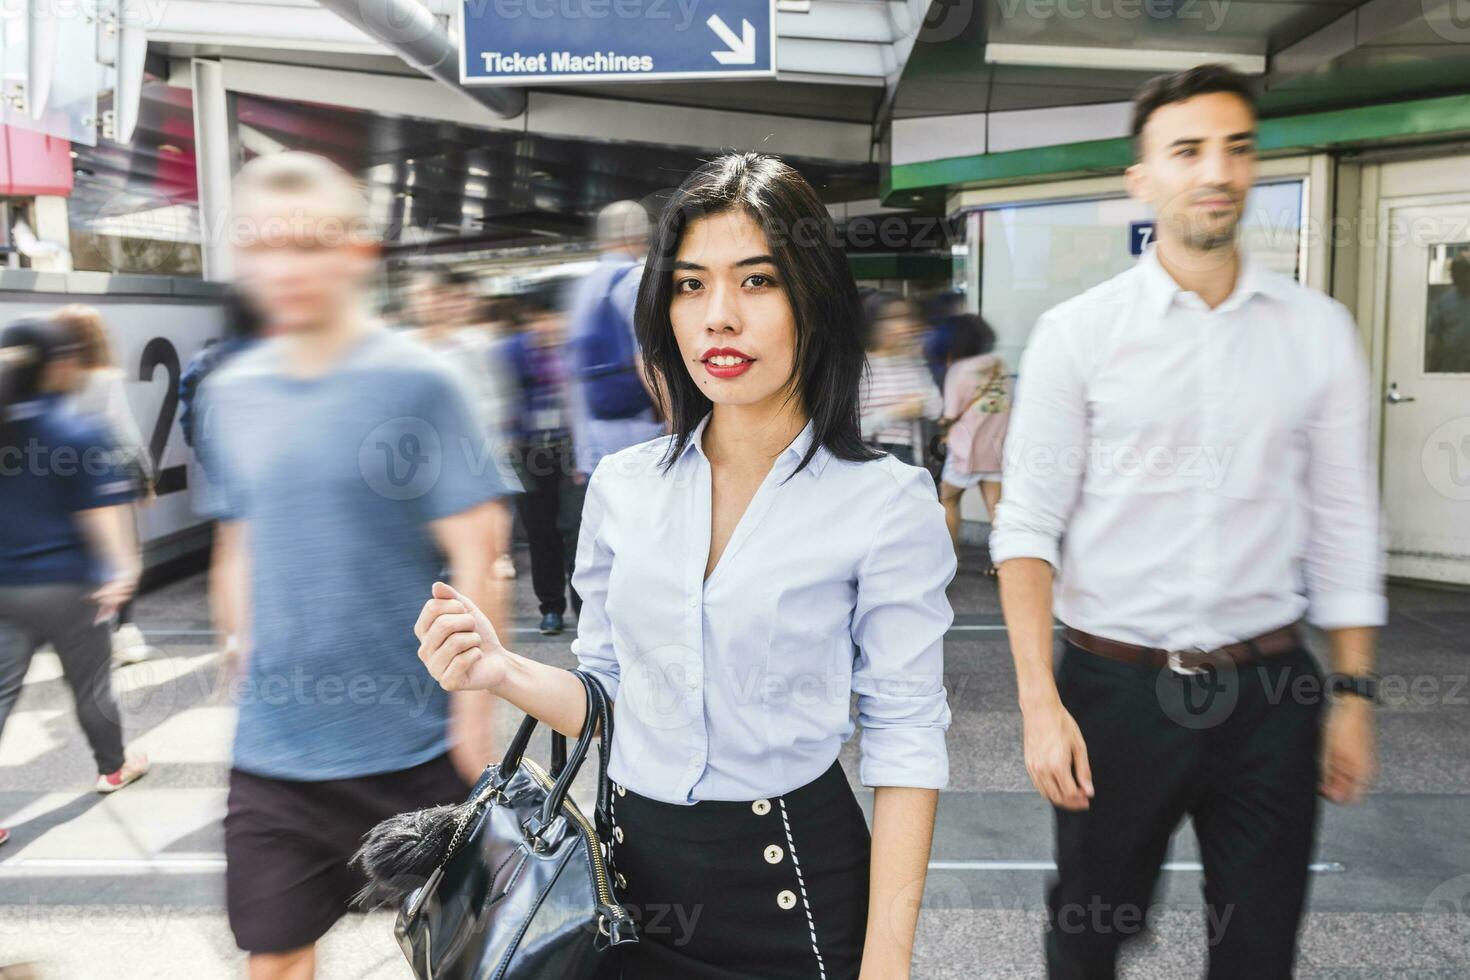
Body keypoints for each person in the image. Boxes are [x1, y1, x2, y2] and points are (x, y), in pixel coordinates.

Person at [413, 151, 955, 979]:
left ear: (814, 300)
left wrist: (888, 962)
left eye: (759, 281)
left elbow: (907, 734)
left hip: (793, 893)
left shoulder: (884, 500)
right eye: (691, 284)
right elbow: (610, 698)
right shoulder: (626, 486)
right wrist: (501, 668)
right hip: (624, 892)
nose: (719, 318)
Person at [991, 65, 1385, 979]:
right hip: (1115, 689)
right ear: (1142, 180)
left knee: (1258, 945)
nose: (1218, 170)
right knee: (1090, 931)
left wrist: (1356, 695)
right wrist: (1039, 706)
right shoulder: (1078, 334)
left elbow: (1345, 523)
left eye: (1237, 148)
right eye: (1188, 150)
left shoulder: (1317, 331)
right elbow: (1027, 531)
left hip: (1269, 692)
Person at [197, 151, 514, 980]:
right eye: (265, 244)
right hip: (277, 755)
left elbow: (482, 554)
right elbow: (238, 536)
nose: (286, 266)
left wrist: (471, 723)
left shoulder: (420, 383)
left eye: (310, 243)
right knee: (272, 957)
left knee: (467, 961)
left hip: (414, 746)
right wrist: (239, 643)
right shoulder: (229, 392)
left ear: (357, 253)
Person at [0, 317, 151, 852]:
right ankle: (113, 768)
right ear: (59, 365)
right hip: (70, 588)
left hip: (5, 590)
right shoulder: (79, 430)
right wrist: (123, 572)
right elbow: (101, 516)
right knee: (90, 688)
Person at [53, 304, 156, 665]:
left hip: (62, 482)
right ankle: (125, 632)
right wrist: (143, 480)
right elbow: (124, 431)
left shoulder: (50, 380)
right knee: (123, 554)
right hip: (107, 481)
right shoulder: (105, 379)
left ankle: (85, 637)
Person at [500, 280, 583, 635]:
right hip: (527, 453)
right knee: (540, 532)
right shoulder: (511, 351)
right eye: (539, 318)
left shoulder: (576, 349)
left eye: (554, 317)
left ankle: (584, 608)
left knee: (578, 530)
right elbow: (501, 400)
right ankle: (550, 607)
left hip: (573, 451)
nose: (548, 326)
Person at [565, 199, 666, 480]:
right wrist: (674, 422)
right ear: (638, 234)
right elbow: (646, 360)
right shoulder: (634, 281)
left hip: (594, 433)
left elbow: (571, 375)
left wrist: (580, 450)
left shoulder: (580, 286)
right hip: (636, 429)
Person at [936, 314, 1010, 565]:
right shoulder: (1000, 366)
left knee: (948, 499)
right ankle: (1003, 562)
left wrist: (943, 424)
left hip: (965, 450)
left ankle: (950, 558)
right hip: (996, 449)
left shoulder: (958, 370)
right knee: (997, 509)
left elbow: (949, 413)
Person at [858, 291, 942, 465]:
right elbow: (845, 430)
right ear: (873, 324)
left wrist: (920, 405)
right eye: (894, 318)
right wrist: (895, 413)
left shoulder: (912, 361)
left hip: (905, 461)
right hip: (866, 460)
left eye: (907, 317)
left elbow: (936, 408)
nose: (904, 325)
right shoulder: (858, 366)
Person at [1427, 250, 1470, 373]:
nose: (1454, 275)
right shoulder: (1444, 302)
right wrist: (1431, 371)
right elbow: (1436, 342)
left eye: (1462, 271)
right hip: (1451, 369)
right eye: (1454, 271)